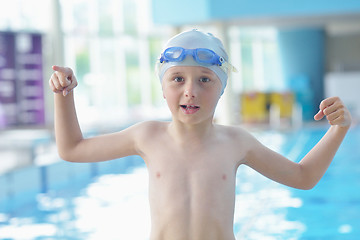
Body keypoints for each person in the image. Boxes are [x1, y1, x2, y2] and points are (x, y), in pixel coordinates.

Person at [49, 29, 352, 240]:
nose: (190, 92)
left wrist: (338, 129)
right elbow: (72, 149)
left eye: (205, 80)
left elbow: (303, 177)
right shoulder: (146, 137)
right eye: (177, 78)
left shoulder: (237, 142)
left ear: (221, 89)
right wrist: (64, 95)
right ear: (162, 87)